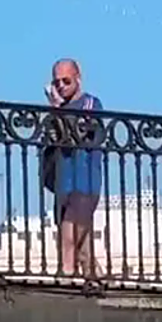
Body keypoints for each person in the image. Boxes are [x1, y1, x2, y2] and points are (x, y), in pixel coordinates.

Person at [41, 58, 104, 278]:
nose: (60, 86)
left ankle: (65, 281)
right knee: (82, 250)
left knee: (69, 240)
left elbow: (77, 135)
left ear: (78, 78)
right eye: (56, 82)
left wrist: (58, 110)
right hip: (63, 186)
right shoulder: (54, 114)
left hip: (84, 184)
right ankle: (95, 283)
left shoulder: (90, 104)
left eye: (66, 81)